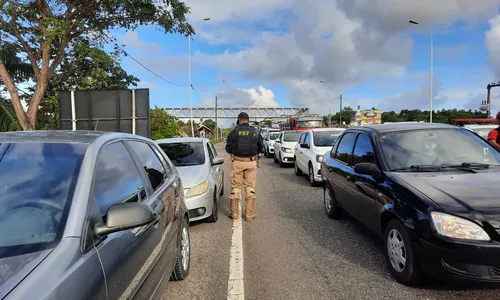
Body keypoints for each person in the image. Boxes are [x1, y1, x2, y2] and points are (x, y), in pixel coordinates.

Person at [225, 112, 264, 221]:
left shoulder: (234, 132)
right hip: (251, 162)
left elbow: (228, 149)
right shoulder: (255, 131)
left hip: (237, 162)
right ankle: (249, 215)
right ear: (247, 120)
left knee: (236, 188)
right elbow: (261, 147)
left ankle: (234, 214)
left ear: (239, 120)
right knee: (250, 188)